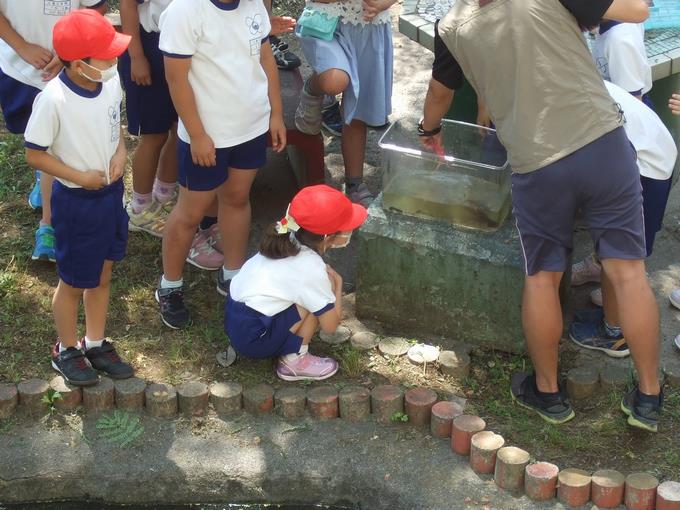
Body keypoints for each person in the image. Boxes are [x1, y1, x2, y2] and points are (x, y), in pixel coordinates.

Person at [423, 0, 662, 432]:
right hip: (602, 142)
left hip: (536, 163)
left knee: (543, 277)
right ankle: (648, 397)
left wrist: (429, 130)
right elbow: (638, 11)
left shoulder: (451, 26)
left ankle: (548, 393)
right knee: (629, 274)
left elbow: (440, 93)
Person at [155, 0, 286, 329]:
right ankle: (169, 286)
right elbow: (176, 79)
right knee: (191, 211)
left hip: (250, 127)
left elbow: (266, 58)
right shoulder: (185, 11)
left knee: (238, 198)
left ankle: (233, 274)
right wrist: (197, 134)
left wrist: (276, 113)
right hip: (207, 135)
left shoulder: (253, 5)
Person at [24, 9, 134, 386]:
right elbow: (35, 153)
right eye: (106, 53)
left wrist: (120, 152)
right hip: (77, 203)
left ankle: (96, 342)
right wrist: (78, 177)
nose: (115, 58)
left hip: (110, 195)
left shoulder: (110, 80)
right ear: (78, 63)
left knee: (103, 272)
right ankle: (66, 349)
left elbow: (113, 124)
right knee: (72, 281)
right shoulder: (53, 100)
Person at [569, 80, 677, 356]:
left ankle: (615, 334)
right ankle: (612, 316)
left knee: (618, 258)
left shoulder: (567, 95)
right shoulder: (574, 78)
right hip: (647, 154)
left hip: (646, 166)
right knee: (612, 254)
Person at [0, 0, 107, 262]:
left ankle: (47, 225)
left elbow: (96, 8)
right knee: (36, 141)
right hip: (18, 67)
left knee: (57, 148)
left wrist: (69, 51)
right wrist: (22, 46)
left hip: (69, 68)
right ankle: (43, 178)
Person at [226, 184, 367, 381]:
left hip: (237, 321)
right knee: (318, 295)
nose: (350, 230)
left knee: (313, 293)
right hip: (253, 340)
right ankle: (294, 361)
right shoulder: (311, 268)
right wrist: (338, 286)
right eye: (347, 227)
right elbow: (331, 326)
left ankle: (284, 344)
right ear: (327, 237)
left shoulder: (284, 238)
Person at [294, 0, 395, 207]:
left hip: (370, 27)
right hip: (326, 24)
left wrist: (384, 3)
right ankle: (312, 90)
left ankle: (354, 183)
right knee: (335, 80)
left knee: (358, 110)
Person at [119, 0, 178, 237]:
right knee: (154, 134)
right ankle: (140, 208)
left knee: (180, 127)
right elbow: (127, 5)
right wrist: (136, 56)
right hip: (148, 45)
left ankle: (164, 193)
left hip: (184, 46)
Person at [592, 20, 652, 105]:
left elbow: (633, 102)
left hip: (627, 108)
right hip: (622, 101)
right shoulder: (626, 20)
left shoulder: (619, 40)